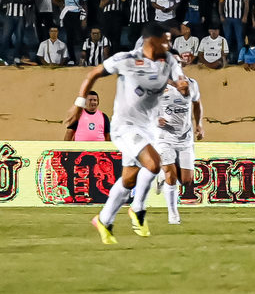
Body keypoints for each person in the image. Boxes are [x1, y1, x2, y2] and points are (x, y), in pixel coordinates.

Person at [66, 22, 188, 244]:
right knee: (154, 163)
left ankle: (104, 220)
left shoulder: (168, 60)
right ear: (153, 41)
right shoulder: (127, 60)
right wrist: (78, 105)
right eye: (166, 40)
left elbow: (180, 78)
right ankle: (138, 209)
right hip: (124, 126)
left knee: (128, 180)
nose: (169, 44)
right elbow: (93, 73)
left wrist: (182, 85)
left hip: (149, 127)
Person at [153, 74, 203, 225]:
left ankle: (161, 176)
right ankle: (173, 213)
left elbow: (197, 103)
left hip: (185, 138)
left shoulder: (192, 83)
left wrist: (199, 124)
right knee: (171, 175)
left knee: (186, 181)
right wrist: (154, 119)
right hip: (164, 137)